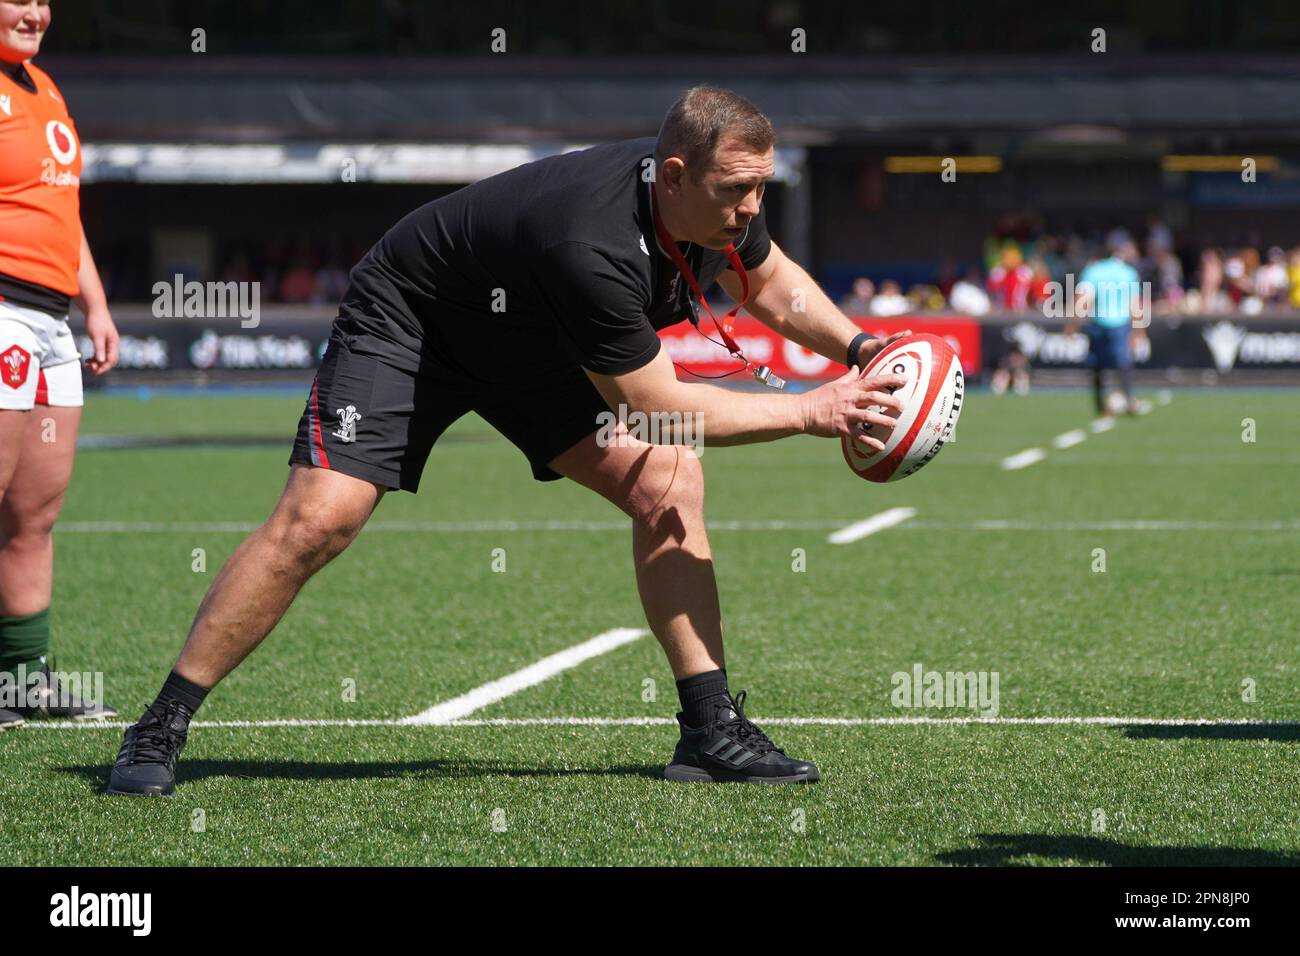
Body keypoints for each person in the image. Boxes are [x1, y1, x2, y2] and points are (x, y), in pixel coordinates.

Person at [105, 86, 911, 794]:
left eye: (761, 189)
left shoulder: (709, 202)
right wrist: (816, 411)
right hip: (415, 323)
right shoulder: (589, 241)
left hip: (532, 343)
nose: (750, 211)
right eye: (737, 191)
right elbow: (661, 403)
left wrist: (861, 349)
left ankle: (709, 731)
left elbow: (769, 282)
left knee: (667, 483)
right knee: (322, 518)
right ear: (672, 176)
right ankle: (161, 724)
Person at [0, 0, 120, 729]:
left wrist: (97, 308)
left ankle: (20, 684)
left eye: (44, 1)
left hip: (53, 322)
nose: (36, 12)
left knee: (34, 510)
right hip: (2, 310)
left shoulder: (46, 89)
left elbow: (62, 212)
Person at [1066, 238, 1145, 416]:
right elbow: (1136, 304)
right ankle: (1129, 399)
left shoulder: (1092, 271)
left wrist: (1072, 325)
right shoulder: (1127, 272)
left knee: (1096, 365)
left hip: (1098, 322)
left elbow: (1083, 300)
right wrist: (1138, 330)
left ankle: (1099, 404)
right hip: (1119, 323)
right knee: (1122, 363)